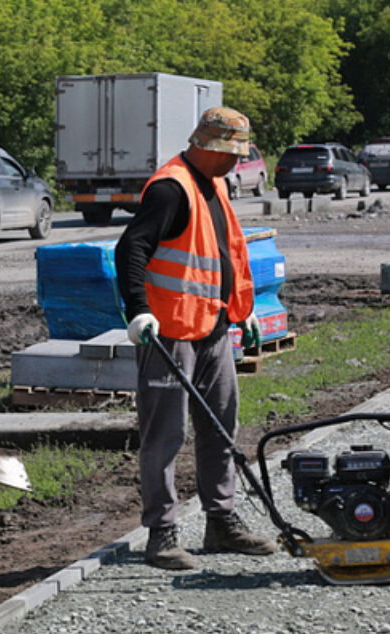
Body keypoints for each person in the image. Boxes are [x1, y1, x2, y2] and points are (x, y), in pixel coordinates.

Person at [114, 107, 278, 570]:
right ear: (208, 146)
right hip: (169, 334)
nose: (235, 163)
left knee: (221, 427)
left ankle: (220, 522)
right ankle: (162, 533)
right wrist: (139, 310)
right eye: (231, 153)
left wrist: (236, 310)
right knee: (165, 435)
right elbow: (132, 249)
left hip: (212, 327)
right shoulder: (171, 189)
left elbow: (218, 253)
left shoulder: (215, 184)